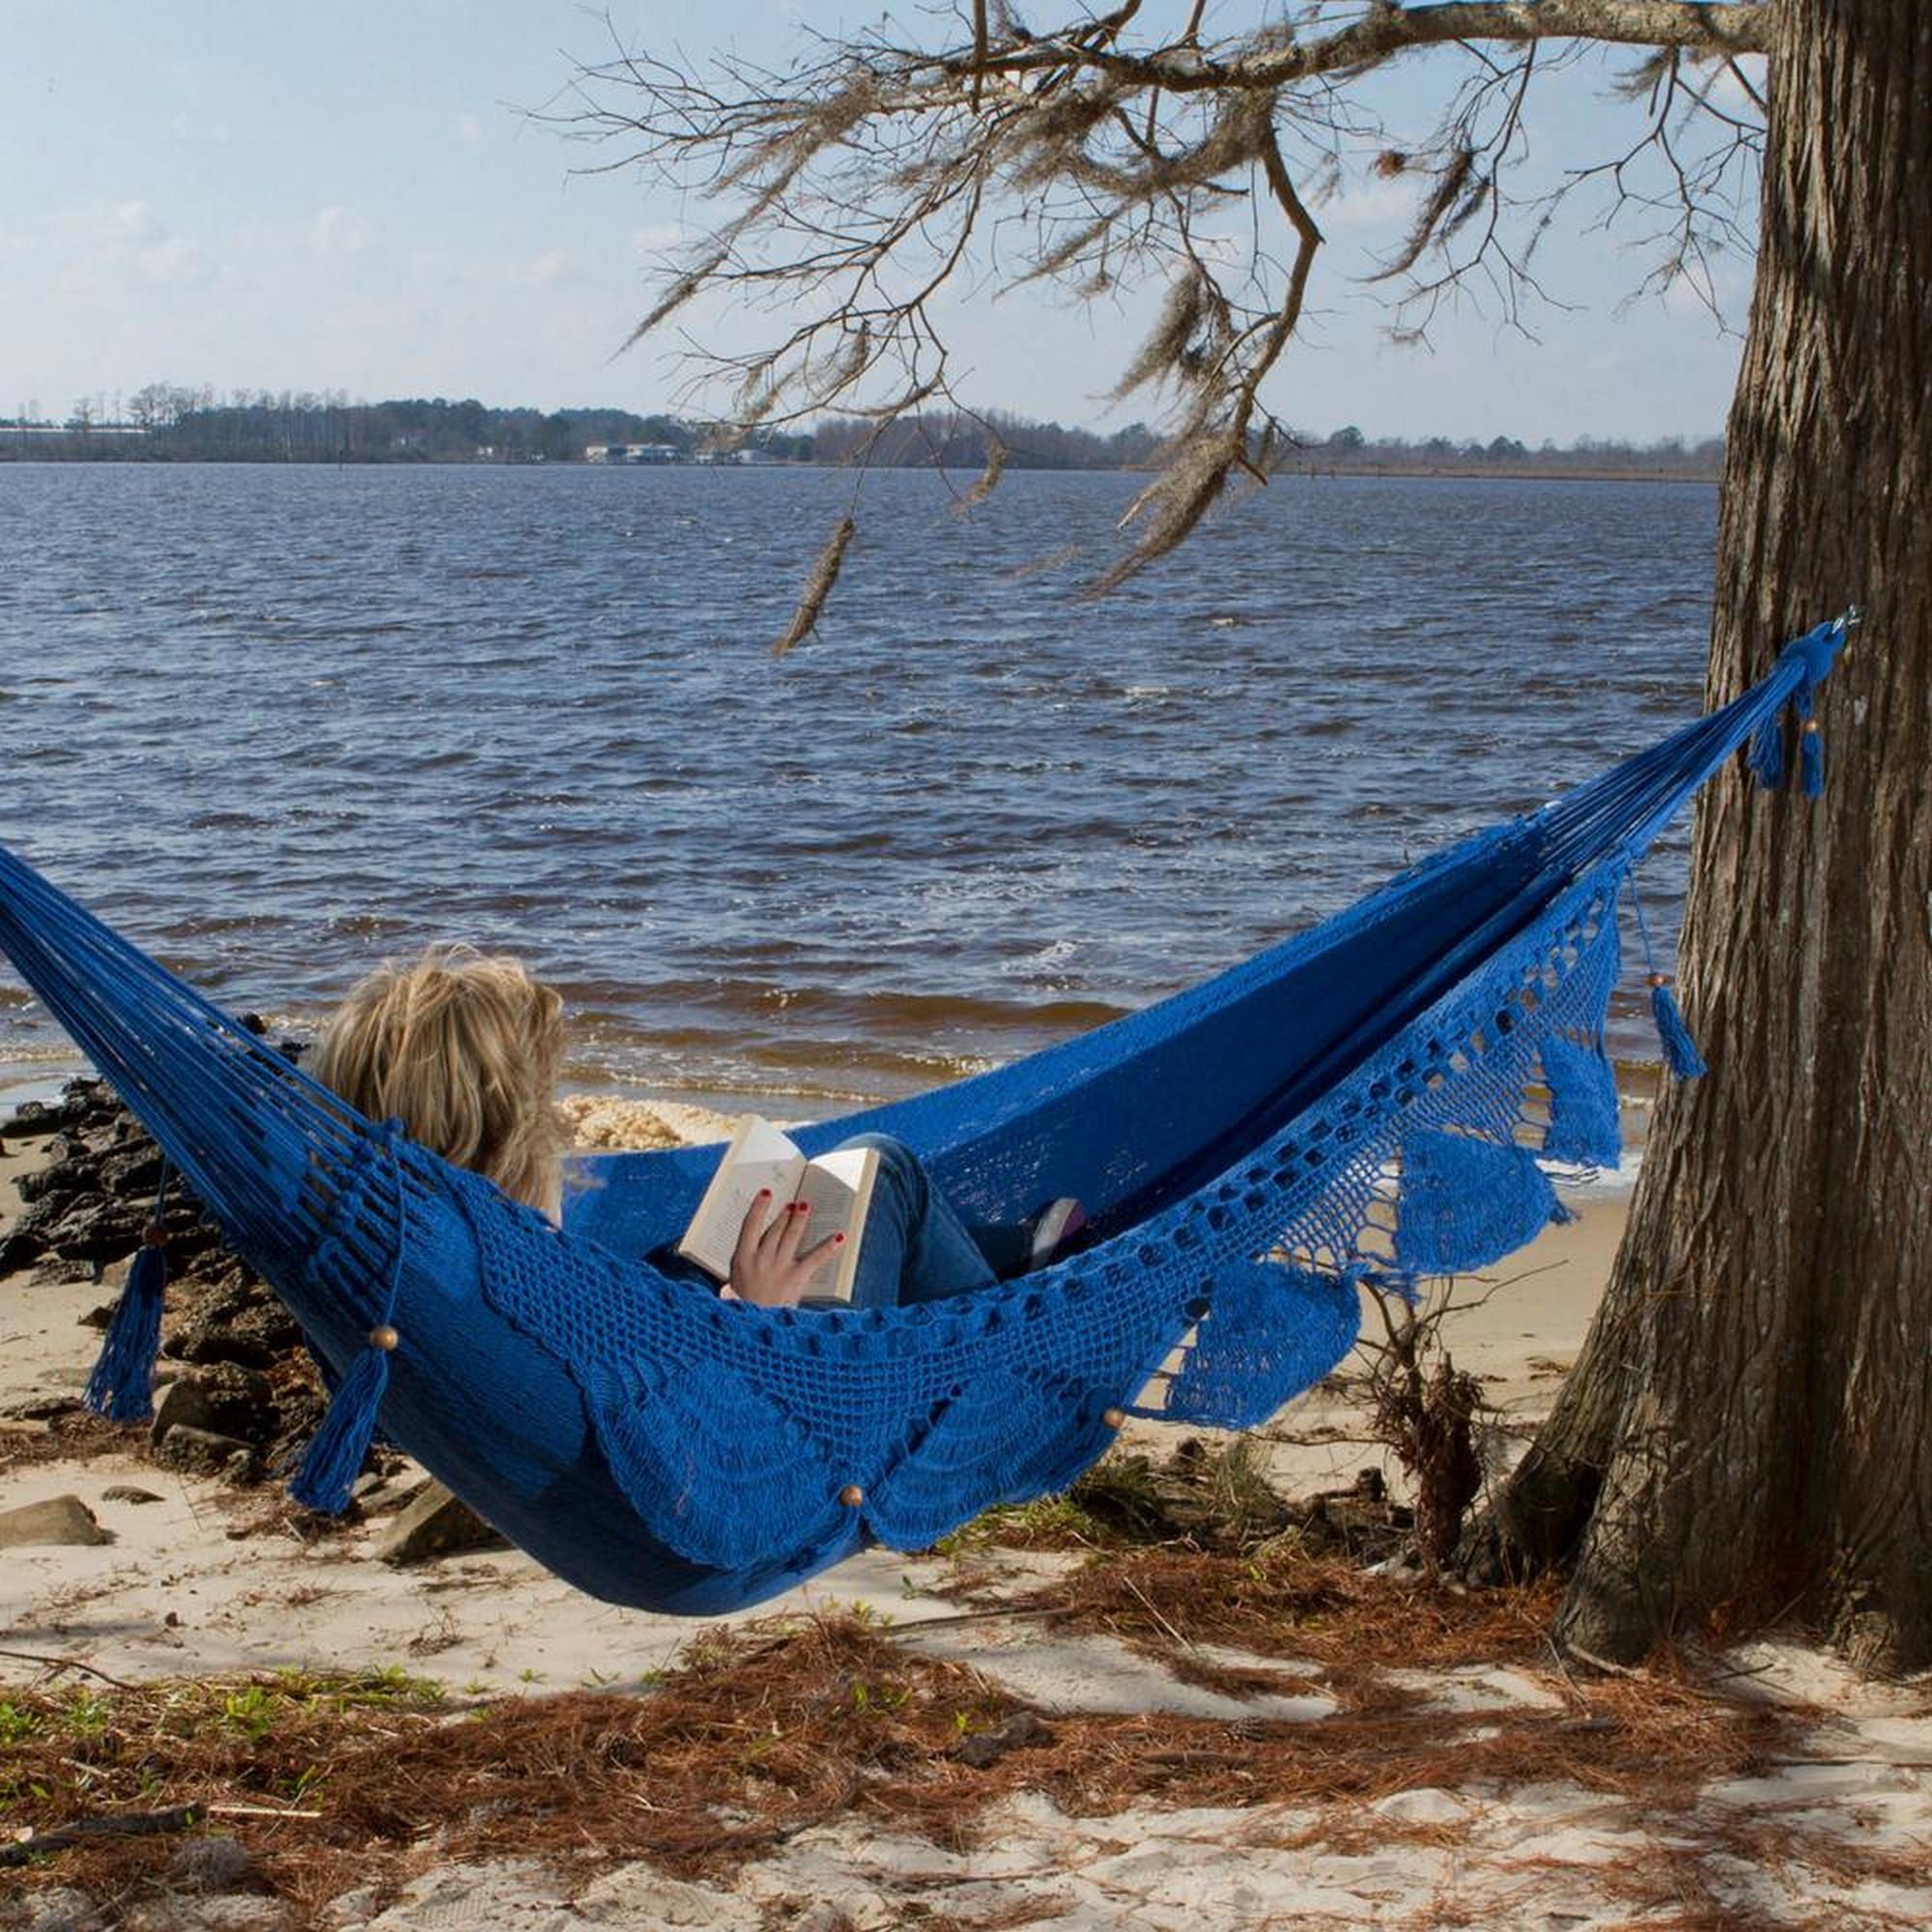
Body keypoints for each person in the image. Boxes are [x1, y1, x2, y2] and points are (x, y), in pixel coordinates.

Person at [312, 946, 1084, 1310]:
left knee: (699, 1238)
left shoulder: (407, 1242)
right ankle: (1008, 1306)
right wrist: (754, 1310)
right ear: (501, 1140)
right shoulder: (511, 1278)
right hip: (790, 1393)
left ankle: (1007, 1250)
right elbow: (699, 1428)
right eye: (543, 1113)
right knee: (880, 1168)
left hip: (677, 1318)